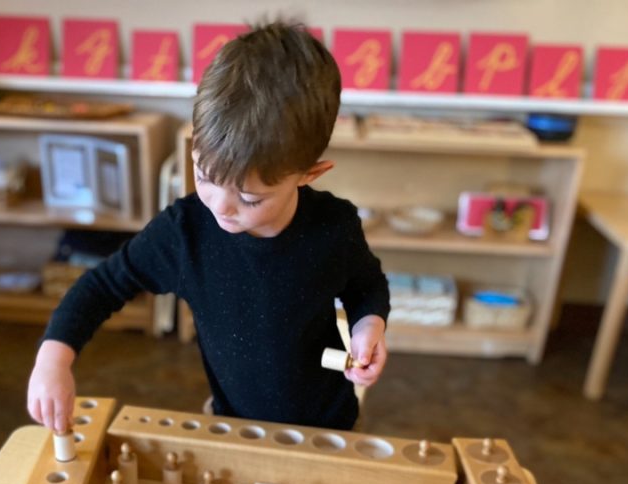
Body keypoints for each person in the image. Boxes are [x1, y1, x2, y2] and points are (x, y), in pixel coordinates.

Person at [27, 21, 390, 433]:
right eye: (204, 177)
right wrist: (53, 360)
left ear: (309, 174)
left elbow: (366, 286)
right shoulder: (185, 233)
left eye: (250, 199)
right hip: (230, 424)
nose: (220, 207)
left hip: (329, 427)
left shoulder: (334, 228)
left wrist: (368, 326)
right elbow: (102, 286)